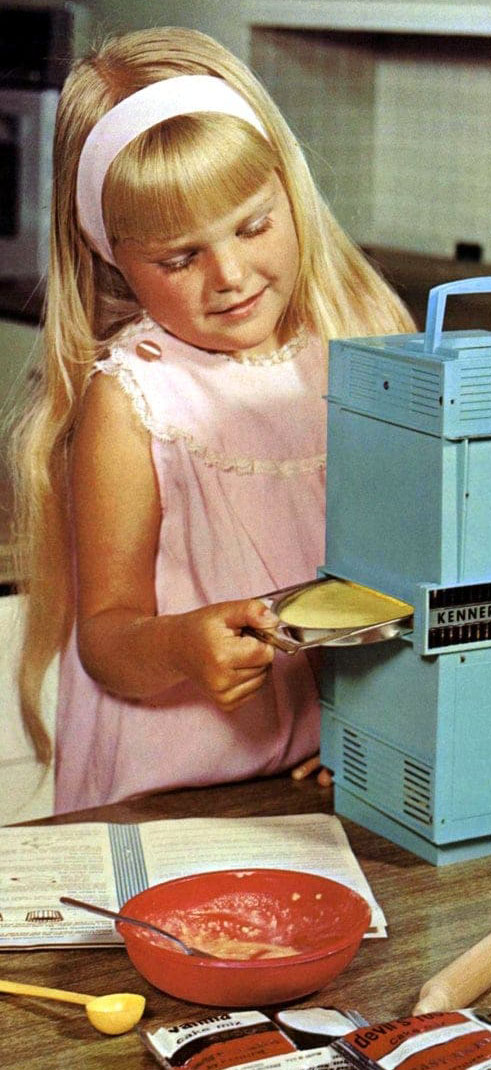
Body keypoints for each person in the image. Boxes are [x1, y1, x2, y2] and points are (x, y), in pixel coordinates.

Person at [9, 27, 413, 813]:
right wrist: (181, 646)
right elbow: (107, 643)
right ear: (112, 258)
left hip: (303, 785)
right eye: (178, 258)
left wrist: (367, 727)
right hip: (166, 796)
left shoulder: (356, 352)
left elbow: (396, 588)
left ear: (289, 195)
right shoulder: (134, 402)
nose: (229, 277)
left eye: (253, 227)